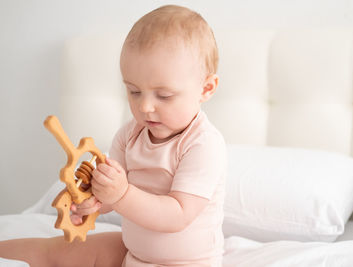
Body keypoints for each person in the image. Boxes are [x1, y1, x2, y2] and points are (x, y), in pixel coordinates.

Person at [0, 4, 226, 267]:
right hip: (132, 251)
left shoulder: (203, 144)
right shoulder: (130, 134)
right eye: (134, 91)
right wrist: (93, 199)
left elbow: (178, 215)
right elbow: (111, 197)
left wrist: (120, 195)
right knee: (59, 250)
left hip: (185, 262)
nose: (144, 107)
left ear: (206, 88)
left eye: (163, 95)